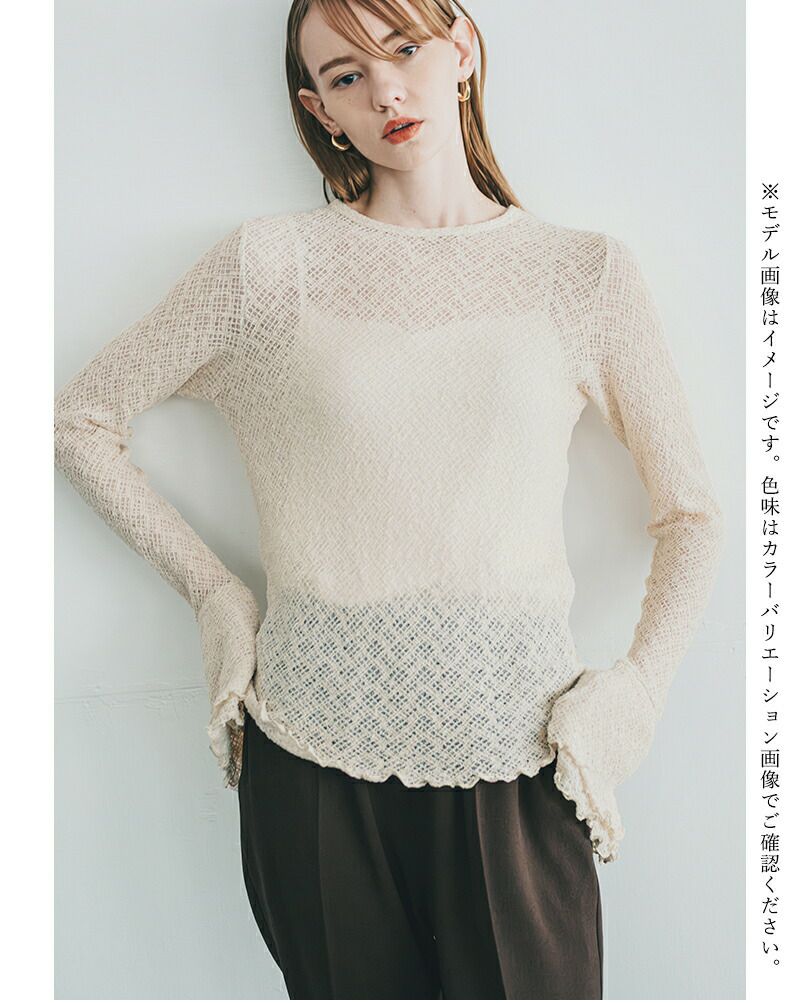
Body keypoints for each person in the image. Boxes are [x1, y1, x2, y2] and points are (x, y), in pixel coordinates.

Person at [53, 0, 726, 998]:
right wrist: (214, 594)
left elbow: (692, 514)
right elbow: (81, 420)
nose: (385, 90)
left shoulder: (581, 273)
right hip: (310, 761)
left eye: (404, 48)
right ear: (317, 110)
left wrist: (637, 689)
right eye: (345, 75)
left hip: (522, 753)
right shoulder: (267, 267)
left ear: (461, 48)